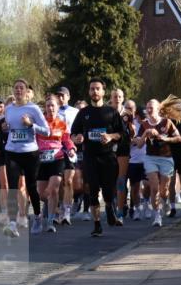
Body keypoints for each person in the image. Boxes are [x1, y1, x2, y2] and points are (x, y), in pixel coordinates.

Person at [70, 80, 126, 237]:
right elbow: (73, 133)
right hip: (90, 157)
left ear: (103, 92)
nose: (95, 91)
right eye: (92, 89)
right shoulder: (83, 113)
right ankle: (97, 225)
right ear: (89, 92)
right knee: (92, 190)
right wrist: (77, 138)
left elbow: (122, 134)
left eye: (98, 89)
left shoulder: (111, 112)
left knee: (109, 190)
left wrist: (110, 136)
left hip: (108, 157)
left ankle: (109, 207)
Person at [0, 79, 49, 237]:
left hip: (30, 153)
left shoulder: (33, 109)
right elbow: (8, 129)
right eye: (16, 88)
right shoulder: (8, 109)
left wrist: (30, 125)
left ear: (27, 91)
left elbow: (46, 131)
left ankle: (37, 216)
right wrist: (5, 128)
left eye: (21, 88)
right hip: (12, 152)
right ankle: (13, 223)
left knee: (31, 187)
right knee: (13, 187)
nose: (18, 91)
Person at [135, 97, 181, 228]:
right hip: (150, 158)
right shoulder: (144, 124)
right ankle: (157, 216)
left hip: (166, 158)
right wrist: (146, 133)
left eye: (151, 107)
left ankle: (165, 200)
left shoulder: (167, 122)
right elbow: (138, 145)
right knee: (154, 187)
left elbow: (179, 138)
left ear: (158, 109)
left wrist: (166, 139)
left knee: (164, 189)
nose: (148, 110)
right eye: (147, 108)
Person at [36, 95, 77, 233]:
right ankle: (54, 208)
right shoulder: (39, 123)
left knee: (53, 189)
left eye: (53, 105)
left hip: (57, 158)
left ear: (58, 107)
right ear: (45, 108)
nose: (51, 108)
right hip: (41, 160)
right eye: (48, 106)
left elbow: (66, 139)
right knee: (42, 194)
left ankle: (50, 221)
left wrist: (71, 149)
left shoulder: (61, 123)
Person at [55, 86, 80, 225]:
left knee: (69, 181)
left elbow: (81, 128)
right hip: (56, 149)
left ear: (68, 97)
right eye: (58, 95)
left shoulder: (75, 112)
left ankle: (67, 212)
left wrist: (77, 137)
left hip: (70, 147)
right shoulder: (53, 111)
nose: (60, 98)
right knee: (59, 182)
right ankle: (59, 208)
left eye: (62, 95)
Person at [110, 88, 130, 225]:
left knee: (121, 181)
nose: (117, 98)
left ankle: (120, 212)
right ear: (111, 98)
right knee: (110, 182)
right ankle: (112, 206)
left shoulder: (128, 114)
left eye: (120, 96)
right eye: (115, 96)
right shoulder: (106, 112)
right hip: (108, 149)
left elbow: (133, 131)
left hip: (123, 149)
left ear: (123, 98)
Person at [127, 100, 148, 220]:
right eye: (142, 117)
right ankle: (137, 208)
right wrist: (133, 140)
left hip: (146, 159)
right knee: (134, 188)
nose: (144, 120)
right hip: (133, 160)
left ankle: (145, 202)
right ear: (137, 116)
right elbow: (125, 141)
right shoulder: (131, 125)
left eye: (146, 117)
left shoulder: (149, 124)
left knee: (147, 185)